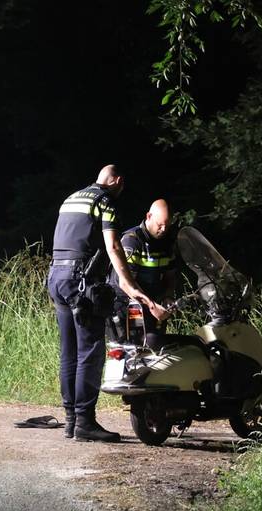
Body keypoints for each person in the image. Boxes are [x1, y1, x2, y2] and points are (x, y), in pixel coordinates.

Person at [47, 165, 167, 442]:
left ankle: (71, 421)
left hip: (57, 278)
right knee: (90, 351)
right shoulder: (105, 202)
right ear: (118, 182)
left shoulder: (71, 199)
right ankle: (84, 422)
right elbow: (113, 246)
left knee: (69, 352)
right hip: (81, 282)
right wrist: (128, 284)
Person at [109, 199, 178, 346]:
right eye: (160, 225)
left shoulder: (168, 243)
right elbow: (126, 284)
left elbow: (170, 276)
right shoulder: (132, 241)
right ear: (149, 216)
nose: (163, 229)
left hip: (152, 304)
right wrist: (152, 306)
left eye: (167, 225)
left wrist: (168, 296)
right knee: (138, 349)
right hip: (128, 305)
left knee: (158, 349)